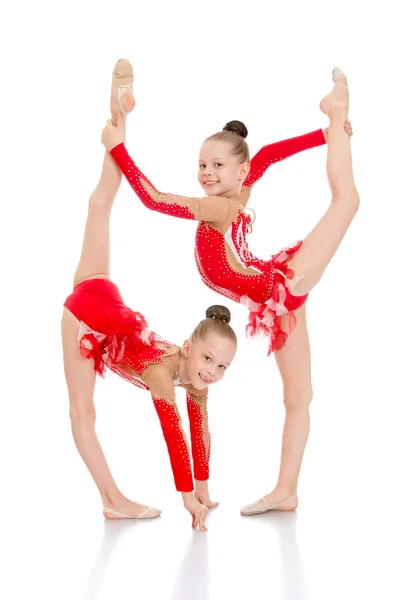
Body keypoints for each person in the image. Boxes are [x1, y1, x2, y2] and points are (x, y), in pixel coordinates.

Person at [102, 62, 358, 516]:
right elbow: (269, 155)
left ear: (239, 173)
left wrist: (118, 149)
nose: (206, 172)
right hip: (277, 303)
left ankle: (339, 112)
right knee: (299, 397)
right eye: (201, 164)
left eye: (217, 165)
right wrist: (317, 136)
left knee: (347, 200)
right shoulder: (234, 196)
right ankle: (287, 491)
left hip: (282, 283)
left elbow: (154, 198)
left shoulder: (214, 208)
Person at [61, 63, 237, 531]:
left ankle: (118, 109)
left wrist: (205, 491)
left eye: (221, 367)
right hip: (86, 316)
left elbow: (200, 433)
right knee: (83, 410)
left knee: (101, 202)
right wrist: (185, 499)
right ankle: (112, 499)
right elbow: (174, 435)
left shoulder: (194, 381)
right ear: (189, 344)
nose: (211, 373)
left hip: (102, 287)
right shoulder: (163, 373)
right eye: (207, 360)